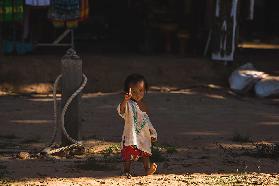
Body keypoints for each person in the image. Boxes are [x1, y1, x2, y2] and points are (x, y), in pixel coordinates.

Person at [117, 74, 158, 178]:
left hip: (143, 135)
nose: (137, 94)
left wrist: (152, 132)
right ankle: (126, 170)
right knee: (128, 155)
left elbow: (147, 120)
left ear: (145, 90)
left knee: (145, 153)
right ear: (127, 92)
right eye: (134, 92)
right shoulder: (128, 104)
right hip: (131, 134)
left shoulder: (143, 105)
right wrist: (125, 100)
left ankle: (147, 169)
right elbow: (121, 111)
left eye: (141, 90)